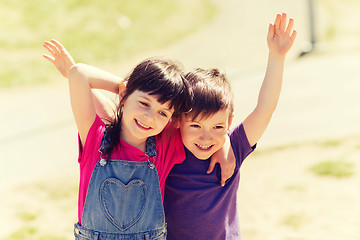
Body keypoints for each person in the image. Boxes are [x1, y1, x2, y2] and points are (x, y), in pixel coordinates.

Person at [43, 40, 233, 239]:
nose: (150, 117)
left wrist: (225, 144)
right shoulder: (95, 139)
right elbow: (78, 73)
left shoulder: (165, 145)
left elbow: (204, 129)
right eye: (144, 103)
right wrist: (129, 87)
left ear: (171, 119)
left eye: (162, 112)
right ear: (124, 95)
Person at [164, 13, 297, 239]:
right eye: (196, 125)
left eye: (217, 127)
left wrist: (277, 56)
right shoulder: (165, 146)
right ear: (177, 120)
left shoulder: (234, 147)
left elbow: (264, 110)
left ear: (229, 121)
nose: (206, 138)